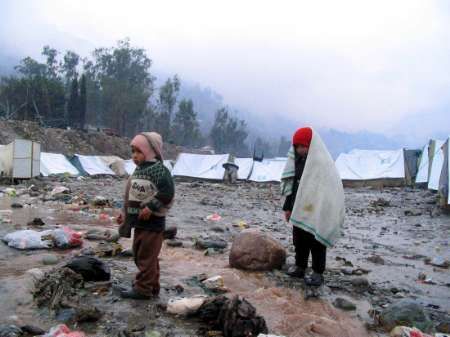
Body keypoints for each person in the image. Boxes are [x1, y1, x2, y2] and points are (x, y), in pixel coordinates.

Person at [281, 127, 344, 287]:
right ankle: (300, 266)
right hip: (300, 208)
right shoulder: (297, 162)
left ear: (311, 145)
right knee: (299, 240)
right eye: (297, 147)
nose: (300, 150)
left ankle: (318, 272)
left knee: (316, 241)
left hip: (317, 210)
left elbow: (328, 190)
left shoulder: (322, 164)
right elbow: (293, 188)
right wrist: (288, 208)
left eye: (303, 146)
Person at [117, 132, 175, 299]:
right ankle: (153, 286)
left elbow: (167, 192)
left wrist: (151, 206)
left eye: (139, 151)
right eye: (133, 151)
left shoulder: (159, 170)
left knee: (146, 257)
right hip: (139, 223)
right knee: (141, 255)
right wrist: (124, 214)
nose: (134, 156)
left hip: (153, 223)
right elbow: (130, 195)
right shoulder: (139, 170)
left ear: (151, 151)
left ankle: (143, 289)